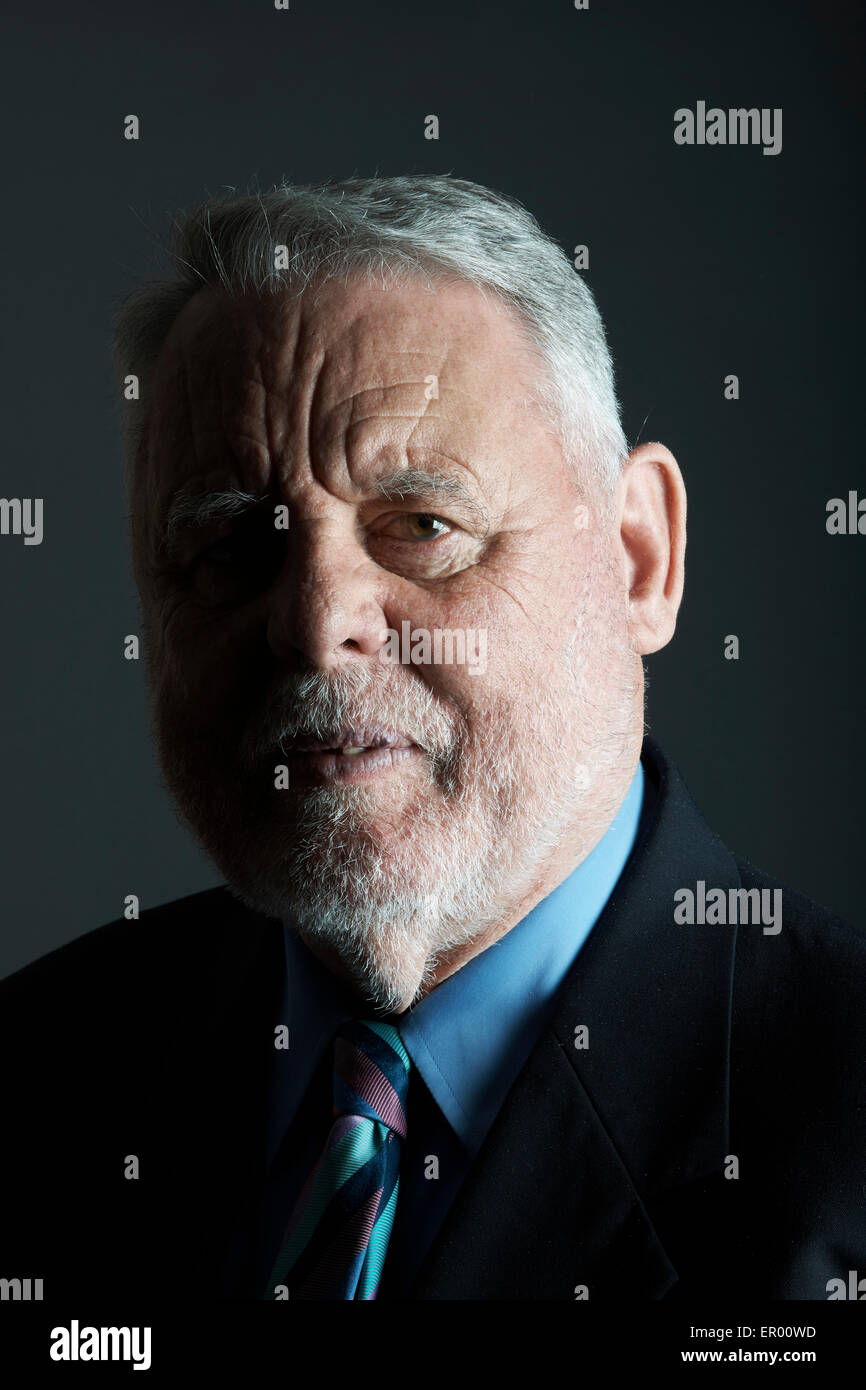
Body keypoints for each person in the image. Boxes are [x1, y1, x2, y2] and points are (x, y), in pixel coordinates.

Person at [2, 175, 863, 1302]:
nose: (315, 624)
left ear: (638, 555)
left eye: (419, 525)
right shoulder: (31, 1080)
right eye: (227, 545)